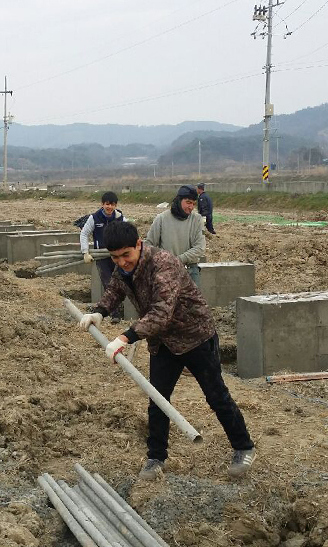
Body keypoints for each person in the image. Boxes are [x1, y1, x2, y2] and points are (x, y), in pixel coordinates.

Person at [79, 221, 255, 480]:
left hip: (195, 336)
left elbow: (161, 312)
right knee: (158, 399)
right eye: (115, 257)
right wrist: (99, 312)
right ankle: (156, 457)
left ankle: (244, 447)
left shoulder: (163, 264)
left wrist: (126, 337)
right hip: (162, 342)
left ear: (139, 244)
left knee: (216, 396)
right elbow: (115, 289)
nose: (122, 262)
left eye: (126, 255)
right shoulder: (123, 267)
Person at [145, 185, 205, 287]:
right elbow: (149, 245)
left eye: (193, 204)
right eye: (188, 202)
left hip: (190, 271)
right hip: (166, 272)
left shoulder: (197, 220)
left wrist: (177, 260)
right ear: (179, 200)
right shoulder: (162, 219)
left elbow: (199, 248)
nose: (191, 207)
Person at [80, 191, 126, 323]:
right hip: (102, 257)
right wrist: (85, 252)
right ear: (102, 204)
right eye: (107, 204)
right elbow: (84, 234)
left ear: (116, 205)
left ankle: (119, 309)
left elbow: (128, 233)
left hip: (117, 256)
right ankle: (115, 314)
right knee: (108, 284)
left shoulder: (120, 218)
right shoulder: (95, 218)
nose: (109, 207)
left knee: (120, 282)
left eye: (112, 204)